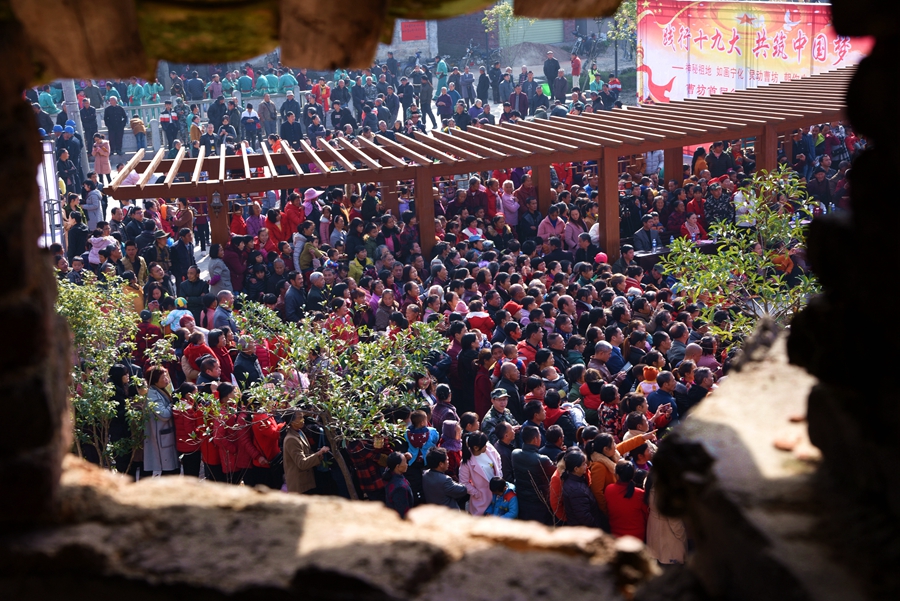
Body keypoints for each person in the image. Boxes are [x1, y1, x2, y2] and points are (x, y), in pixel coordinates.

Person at [511, 425, 556, 524]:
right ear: (535, 439)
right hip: (539, 503)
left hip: (522, 500)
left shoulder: (515, 454)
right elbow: (555, 472)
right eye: (540, 436)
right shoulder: (542, 459)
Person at [143, 367, 180, 476]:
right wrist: (172, 403)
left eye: (167, 376)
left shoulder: (163, 389)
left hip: (166, 434)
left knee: (173, 468)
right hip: (161, 435)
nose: (167, 380)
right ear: (155, 380)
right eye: (163, 377)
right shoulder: (152, 393)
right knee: (168, 469)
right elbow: (163, 414)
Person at [283, 410, 329, 494]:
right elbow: (302, 463)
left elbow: (306, 452)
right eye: (300, 417)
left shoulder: (299, 432)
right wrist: (318, 454)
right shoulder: (291, 439)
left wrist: (317, 455)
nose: (303, 420)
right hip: (300, 485)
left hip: (306, 481)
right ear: (292, 422)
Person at [458, 431, 502, 516]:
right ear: (476, 447)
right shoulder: (466, 463)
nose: (487, 445)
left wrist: (499, 475)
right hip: (481, 501)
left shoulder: (488, 447)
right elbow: (464, 482)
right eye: (484, 445)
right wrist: (477, 494)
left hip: (497, 494)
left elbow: (498, 459)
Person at [605, 461, 649, 539]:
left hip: (616, 536)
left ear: (617, 475)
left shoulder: (609, 489)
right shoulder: (640, 494)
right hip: (638, 537)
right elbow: (647, 515)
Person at [562, 450, 603, 528]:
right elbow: (584, 517)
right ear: (576, 469)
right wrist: (597, 527)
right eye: (583, 464)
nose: (586, 466)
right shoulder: (576, 490)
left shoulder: (576, 479)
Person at [383, 451, 415, 518]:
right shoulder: (400, 488)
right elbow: (403, 512)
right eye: (405, 462)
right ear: (398, 466)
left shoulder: (389, 471)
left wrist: (405, 457)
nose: (407, 464)